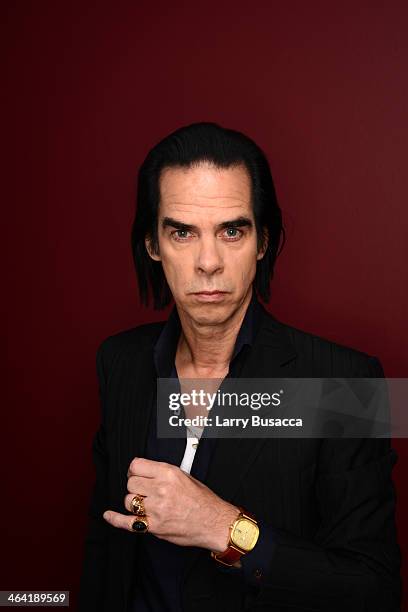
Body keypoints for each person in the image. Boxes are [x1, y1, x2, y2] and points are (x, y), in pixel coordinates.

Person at [78, 122, 401, 611]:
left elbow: (375, 589)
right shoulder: (118, 361)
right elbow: (106, 555)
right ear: (152, 245)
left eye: (232, 230)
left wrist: (224, 528)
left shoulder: (348, 384)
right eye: (182, 233)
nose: (209, 262)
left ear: (263, 241)